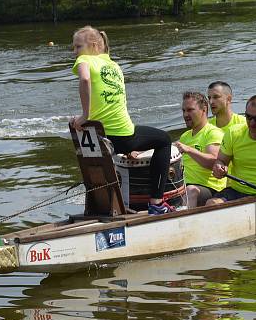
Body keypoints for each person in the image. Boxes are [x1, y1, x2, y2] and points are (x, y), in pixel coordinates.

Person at [71, 26, 174, 215]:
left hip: (100, 137)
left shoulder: (85, 60)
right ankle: (157, 203)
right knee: (164, 140)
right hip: (121, 137)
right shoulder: (115, 66)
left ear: (93, 45)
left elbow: (85, 79)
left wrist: (85, 116)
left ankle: (97, 207)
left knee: (160, 140)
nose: (75, 52)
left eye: (78, 46)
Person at [173, 91, 225, 207]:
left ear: (204, 110)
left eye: (190, 110)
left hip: (210, 189)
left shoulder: (213, 133)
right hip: (184, 186)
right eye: (183, 111)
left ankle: (185, 222)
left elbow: (213, 162)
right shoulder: (185, 136)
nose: (185, 114)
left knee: (190, 190)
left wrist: (189, 150)